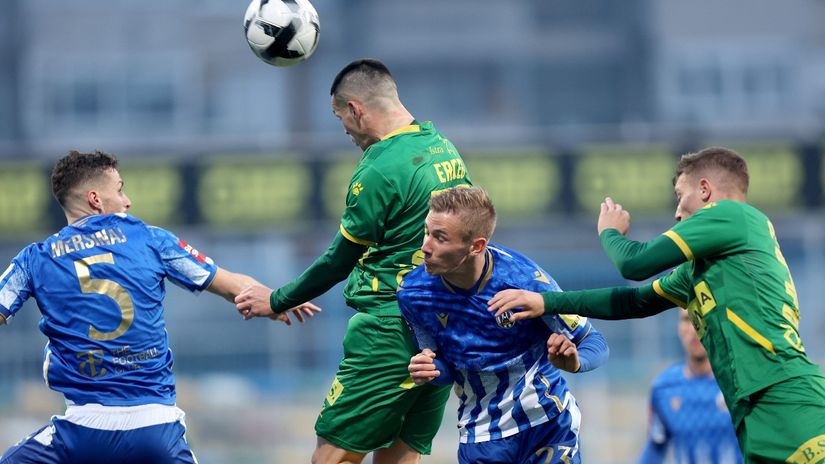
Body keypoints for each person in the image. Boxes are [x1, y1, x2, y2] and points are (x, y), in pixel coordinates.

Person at [487, 147, 825, 463]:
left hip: (784, 395)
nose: (677, 212)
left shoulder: (734, 216)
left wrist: (610, 233)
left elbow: (634, 264)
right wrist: (546, 301)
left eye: (681, 197)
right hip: (752, 409)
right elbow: (633, 301)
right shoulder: (700, 270)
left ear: (705, 190)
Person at [0, 150, 318, 464]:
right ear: (95, 199)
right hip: (157, 430)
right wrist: (278, 299)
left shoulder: (34, 259)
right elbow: (229, 283)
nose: (128, 201)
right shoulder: (150, 240)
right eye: (121, 189)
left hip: (82, 431)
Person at [234, 58, 473, 464]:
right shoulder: (443, 148)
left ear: (356, 110)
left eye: (339, 117)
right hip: (443, 327)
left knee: (331, 457)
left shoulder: (380, 167)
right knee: (401, 455)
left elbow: (337, 261)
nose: (343, 129)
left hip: (388, 329)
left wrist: (276, 299)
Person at [399, 187, 609, 464]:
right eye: (427, 232)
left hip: (547, 424)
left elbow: (595, 342)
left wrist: (574, 362)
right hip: (481, 436)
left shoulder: (524, 281)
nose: (425, 246)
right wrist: (429, 369)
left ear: (476, 245)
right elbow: (443, 367)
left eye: (440, 238)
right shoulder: (414, 293)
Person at [639, 310, 742, 463]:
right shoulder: (663, 389)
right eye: (687, 320)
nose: (695, 328)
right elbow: (655, 448)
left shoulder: (739, 381)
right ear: (679, 328)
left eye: (702, 318)